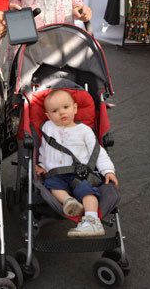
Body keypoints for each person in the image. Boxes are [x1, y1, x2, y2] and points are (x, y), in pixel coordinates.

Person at [35, 89, 118, 238]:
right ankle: (69, 202)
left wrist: (108, 171)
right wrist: (42, 165)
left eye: (66, 107)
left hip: (80, 173)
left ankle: (92, 221)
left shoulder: (84, 130)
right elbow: (45, 150)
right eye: (55, 110)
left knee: (87, 191)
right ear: (48, 116)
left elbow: (97, 152)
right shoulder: (48, 128)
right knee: (52, 185)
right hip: (57, 173)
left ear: (75, 108)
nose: (61, 113)